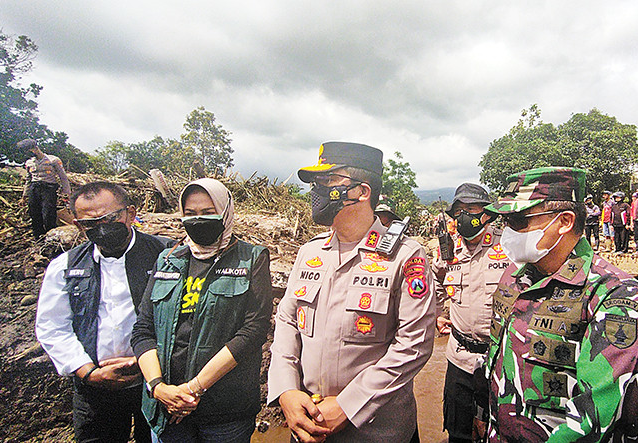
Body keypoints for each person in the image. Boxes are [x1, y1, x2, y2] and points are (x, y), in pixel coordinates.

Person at [478, 166, 638, 442]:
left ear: (564, 221)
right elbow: (496, 360)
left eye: (518, 220)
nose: (507, 231)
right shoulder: (515, 277)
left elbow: (595, 421)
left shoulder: (617, 301)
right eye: (504, 221)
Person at [267, 142, 435, 443]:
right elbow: (287, 321)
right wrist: (286, 391)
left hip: (377, 432)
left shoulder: (406, 257)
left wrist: (348, 405)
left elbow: (414, 345)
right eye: (316, 184)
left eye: (328, 182)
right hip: (307, 425)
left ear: (362, 191)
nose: (316, 192)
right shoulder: (309, 252)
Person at [131, 178, 273, 442]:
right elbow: (143, 329)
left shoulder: (251, 258)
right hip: (166, 406)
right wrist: (158, 387)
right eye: (190, 214)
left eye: (208, 213)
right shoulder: (168, 259)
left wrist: (194, 388)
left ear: (226, 211)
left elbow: (253, 331)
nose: (198, 220)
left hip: (225, 412)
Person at [35, 182, 172, 443]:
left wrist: (146, 362)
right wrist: (87, 372)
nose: (102, 227)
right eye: (91, 223)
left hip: (156, 381)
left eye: (110, 218)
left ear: (131, 214)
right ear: (78, 225)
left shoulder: (166, 255)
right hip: (95, 388)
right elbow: (52, 326)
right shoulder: (65, 266)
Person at [431, 183, 508, 442]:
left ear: (487, 213)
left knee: (503, 432)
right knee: (459, 432)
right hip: (459, 359)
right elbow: (434, 281)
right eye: (459, 210)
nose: (464, 216)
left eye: (471, 209)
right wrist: (439, 313)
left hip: (502, 361)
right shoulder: (448, 250)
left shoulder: (509, 247)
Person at [20, 138, 72, 240]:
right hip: (34, 188)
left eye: (29, 151)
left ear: (35, 148)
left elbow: (63, 177)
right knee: (34, 213)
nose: (29, 154)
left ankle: (50, 236)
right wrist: (24, 195)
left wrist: (67, 193)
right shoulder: (29, 162)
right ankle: (38, 237)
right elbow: (28, 179)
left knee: (48, 213)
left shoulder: (53, 160)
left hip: (49, 188)